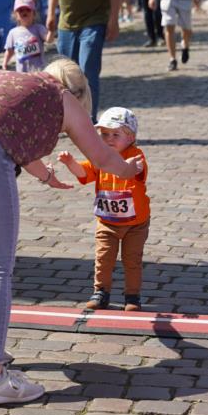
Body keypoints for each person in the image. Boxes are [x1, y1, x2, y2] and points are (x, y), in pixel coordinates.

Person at [0, 58, 143, 406]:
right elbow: (101, 157)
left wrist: (47, 177)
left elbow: (6, 135)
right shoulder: (61, 96)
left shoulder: (13, 82)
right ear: (79, 94)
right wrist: (129, 169)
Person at [58, 107, 149, 313]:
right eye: (104, 134)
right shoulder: (99, 157)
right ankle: (101, 292)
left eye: (116, 134)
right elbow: (84, 173)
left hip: (135, 223)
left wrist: (130, 166)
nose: (109, 139)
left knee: (132, 259)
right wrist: (70, 163)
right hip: (107, 221)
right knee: (103, 257)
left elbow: (137, 170)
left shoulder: (136, 155)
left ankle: (132, 295)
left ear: (131, 137)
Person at [2, 0, 47, 73]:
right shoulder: (13, 33)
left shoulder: (39, 28)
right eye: (20, 10)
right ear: (15, 15)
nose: (24, 12)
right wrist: (5, 62)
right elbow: (9, 51)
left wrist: (51, 32)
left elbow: (48, 39)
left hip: (39, 72)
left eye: (28, 10)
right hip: (22, 73)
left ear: (34, 13)